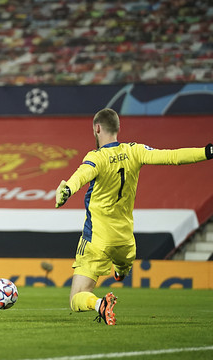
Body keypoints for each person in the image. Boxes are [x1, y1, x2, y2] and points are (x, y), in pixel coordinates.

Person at [55, 108, 212, 325]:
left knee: (76, 299)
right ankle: (121, 270)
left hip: (98, 241)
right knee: (123, 264)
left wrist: (67, 189)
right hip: (126, 241)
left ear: (97, 128)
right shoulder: (135, 150)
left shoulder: (96, 157)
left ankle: (100, 304)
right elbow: (172, 156)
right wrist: (207, 151)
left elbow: (83, 174)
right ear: (118, 128)